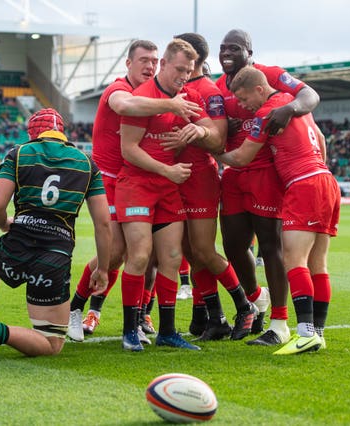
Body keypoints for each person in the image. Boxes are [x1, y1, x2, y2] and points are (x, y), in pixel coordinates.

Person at [65, 40, 202, 342]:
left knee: (145, 255)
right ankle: (76, 308)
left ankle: (138, 315)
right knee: (115, 253)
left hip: (140, 177)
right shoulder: (118, 90)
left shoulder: (159, 93)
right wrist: (171, 104)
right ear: (128, 64)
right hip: (109, 180)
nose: (149, 66)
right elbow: (125, 106)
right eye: (143, 60)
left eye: (153, 60)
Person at [0, 108, 112, 363]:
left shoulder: (19, 153)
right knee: (51, 343)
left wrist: (4, 226)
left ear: (33, 134)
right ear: (62, 133)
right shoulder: (87, 164)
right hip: (55, 257)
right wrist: (103, 269)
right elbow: (104, 224)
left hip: (17, 245)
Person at [218, 67, 340, 354]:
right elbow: (321, 140)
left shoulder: (268, 114)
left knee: (293, 259)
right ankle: (317, 334)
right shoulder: (293, 103)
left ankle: (305, 332)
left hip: (303, 184)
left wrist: (211, 150)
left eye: (245, 99)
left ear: (260, 89)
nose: (245, 106)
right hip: (326, 180)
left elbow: (241, 157)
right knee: (318, 264)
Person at [116, 38, 220, 351]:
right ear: (163, 65)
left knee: (173, 258)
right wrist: (166, 171)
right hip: (136, 186)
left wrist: (200, 131)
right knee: (140, 254)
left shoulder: (187, 97)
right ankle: (130, 330)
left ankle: (168, 331)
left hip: (167, 188)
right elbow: (128, 150)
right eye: (178, 69)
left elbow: (215, 134)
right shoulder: (142, 97)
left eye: (189, 71)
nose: (184, 76)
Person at [167, 32, 256, 341]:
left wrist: (199, 132)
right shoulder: (177, 88)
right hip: (176, 177)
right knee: (191, 253)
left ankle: (246, 305)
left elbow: (217, 138)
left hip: (200, 178)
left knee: (204, 249)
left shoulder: (206, 90)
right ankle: (214, 317)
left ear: (196, 59)